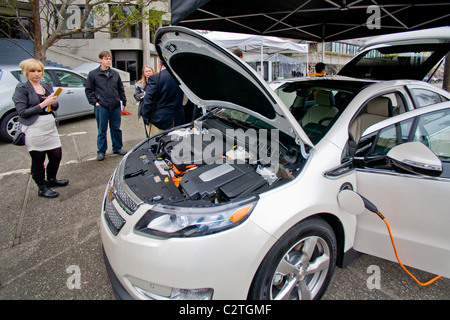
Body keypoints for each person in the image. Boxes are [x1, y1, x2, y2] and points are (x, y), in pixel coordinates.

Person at [12, 58, 68, 198]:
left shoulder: (47, 86)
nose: (36, 74)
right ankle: (42, 187)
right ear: (26, 73)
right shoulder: (22, 89)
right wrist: (43, 104)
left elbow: (54, 107)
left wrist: (53, 103)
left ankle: (51, 179)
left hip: (48, 125)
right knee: (38, 159)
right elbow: (22, 112)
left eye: (39, 71)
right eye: (32, 71)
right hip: (33, 127)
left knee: (56, 155)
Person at [85, 51, 127, 161]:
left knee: (116, 128)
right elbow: (89, 90)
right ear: (100, 60)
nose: (108, 60)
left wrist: (123, 101)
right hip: (102, 106)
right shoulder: (93, 74)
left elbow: (120, 88)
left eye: (109, 59)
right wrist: (95, 102)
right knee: (102, 130)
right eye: (106, 58)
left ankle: (117, 147)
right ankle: (101, 151)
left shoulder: (115, 74)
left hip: (115, 105)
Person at [141, 60, 185, 137]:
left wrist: (145, 117)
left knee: (158, 145)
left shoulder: (155, 78)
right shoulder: (180, 77)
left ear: (159, 64)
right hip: (178, 118)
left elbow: (148, 101)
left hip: (159, 121)